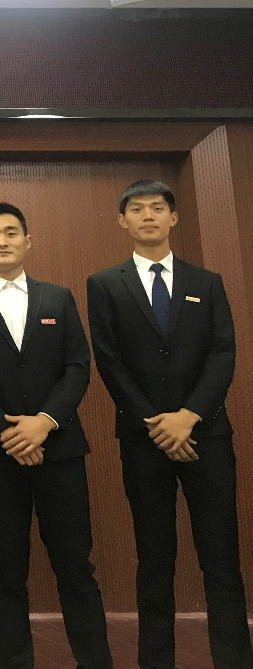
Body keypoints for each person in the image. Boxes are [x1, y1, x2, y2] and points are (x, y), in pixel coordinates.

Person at [86, 179, 253, 669]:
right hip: (144, 440)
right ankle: (155, 661)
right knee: (154, 558)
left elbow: (223, 353)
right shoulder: (104, 284)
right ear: (122, 221)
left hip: (207, 436)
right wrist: (157, 426)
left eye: (157, 208)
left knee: (221, 557)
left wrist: (189, 416)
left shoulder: (207, 282)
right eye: (137, 209)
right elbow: (109, 361)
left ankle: (234, 659)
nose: (148, 216)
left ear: (173, 217)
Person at [0, 202, 111, 669]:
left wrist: (44, 422)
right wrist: (8, 432)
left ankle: (95, 661)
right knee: (6, 570)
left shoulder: (58, 297)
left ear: (27, 240)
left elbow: (77, 366)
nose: (2, 241)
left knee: (76, 567)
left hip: (60, 449)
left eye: (11, 232)